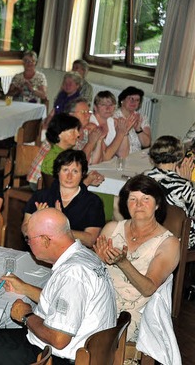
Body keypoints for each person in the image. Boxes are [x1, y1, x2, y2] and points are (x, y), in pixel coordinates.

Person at [0, 208, 116, 364]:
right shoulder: (84, 255)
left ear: (46, 240)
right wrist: (24, 287)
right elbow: (63, 302)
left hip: (58, 356)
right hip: (86, 349)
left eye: (29, 239)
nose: (27, 243)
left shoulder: (73, 274)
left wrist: (26, 315)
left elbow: (59, 339)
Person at [94, 175, 180, 341]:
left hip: (130, 314)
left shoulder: (169, 243)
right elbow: (91, 272)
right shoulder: (112, 229)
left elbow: (148, 289)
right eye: (133, 198)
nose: (139, 204)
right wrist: (97, 260)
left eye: (146, 199)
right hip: (100, 301)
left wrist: (123, 263)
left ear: (158, 204)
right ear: (126, 203)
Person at [24, 150, 105, 248]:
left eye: (75, 171)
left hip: (75, 253)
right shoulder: (41, 196)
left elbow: (90, 240)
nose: (69, 176)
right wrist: (37, 221)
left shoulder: (93, 202)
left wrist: (59, 227)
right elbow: (25, 229)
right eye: (65, 170)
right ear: (58, 172)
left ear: (82, 174)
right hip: (42, 250)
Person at [146, 136, 195, 249]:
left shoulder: (143, 179)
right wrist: (188, 182)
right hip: (177, 242)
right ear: (179, 158)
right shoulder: (182, 185)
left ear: (152, 158)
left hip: (146, 234)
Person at [27, 114, 80, 189]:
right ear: (59, 134)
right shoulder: (53, 158)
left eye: (77, 130)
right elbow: (57, 187)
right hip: (41, 187)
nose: (78, 134)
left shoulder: (64, 152)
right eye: (72, 131)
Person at [90, 91, 134, 163]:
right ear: (95, 107)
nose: (108, 108)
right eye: (103, 105)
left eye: (111, 105)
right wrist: (120, 134)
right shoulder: (91, 125)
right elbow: (104, 157)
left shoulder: (113, 122)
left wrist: (125, 132)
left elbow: (123, 155)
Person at [113, 86, 151, 154]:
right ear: (122, 100)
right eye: (131, 99)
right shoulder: (114, 117)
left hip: (138, 155)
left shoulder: (142, 118)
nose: (134, 102)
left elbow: (146, 144)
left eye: (137, 100)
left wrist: (138, 130)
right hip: (119, 155)